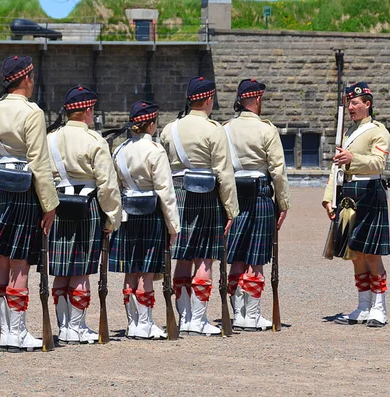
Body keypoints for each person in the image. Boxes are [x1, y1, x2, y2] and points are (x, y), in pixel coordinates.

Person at [0, 55, 59, 352]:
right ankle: (18, 333)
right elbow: (39, 161)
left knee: (0, 259)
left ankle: (6, 332)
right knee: (20, 260)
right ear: (26, 79)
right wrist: (50, 204)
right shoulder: (32, 112)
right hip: (22, 185)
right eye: (32, 77)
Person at [160, 76, 239, 336]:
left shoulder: (169, 129)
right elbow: (224, 174)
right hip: (206, 197)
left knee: (181, 257)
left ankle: (182, 316)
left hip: (177, 193)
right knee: (204, 258)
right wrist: (231, 208)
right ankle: (198, 318)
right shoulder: (214, 129)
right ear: (208, 99)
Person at [47, 86, 121, 344]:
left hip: (56, 204)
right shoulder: (95, 140)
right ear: (88, 110)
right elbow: (108, 185)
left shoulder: (50, 138)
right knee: (80, 270)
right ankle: (76, 328)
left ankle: (64, 327)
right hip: (86, 205)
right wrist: (112, 216)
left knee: (60, 269)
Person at [109, 101, 181, 340]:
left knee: (131, 270)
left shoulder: (119, 150)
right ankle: (145, 323)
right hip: (150, 214)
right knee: (147, 272)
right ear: (151, 124)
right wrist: (173, 226)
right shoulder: (155, 150)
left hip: (128, 214)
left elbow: (116, 187)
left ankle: (133, 323)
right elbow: (165, 192)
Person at [322, 82, 390, 328]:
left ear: (367, 104)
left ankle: (379, 308)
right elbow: (336, 166)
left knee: (372, 253)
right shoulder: (348, 132)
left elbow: (378, 164)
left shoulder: (378, 131)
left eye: (355, 103)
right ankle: (363, 306)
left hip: (370, 192)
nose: (351, 107)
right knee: (355, 254)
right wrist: (329, 197)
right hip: (349, 194)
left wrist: (353, 158)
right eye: (349, 103)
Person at [224, 79, 290, 331]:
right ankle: (252, 315)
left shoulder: (225, 128)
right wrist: (283, 203)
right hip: (260, 194)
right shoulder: (266, 129)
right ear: (258, 100)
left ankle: (237, 313)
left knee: (237, 256)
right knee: (258, 257)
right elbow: (278, 171)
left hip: (234, 194)